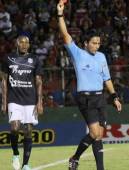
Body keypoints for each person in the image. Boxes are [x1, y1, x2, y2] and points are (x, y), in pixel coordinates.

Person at [57, 1, 122, 170]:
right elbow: (65, 35)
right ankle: (80, 159)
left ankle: (77, 158)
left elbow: (107, 79)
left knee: (99, 135)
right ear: (86, 43)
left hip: (100, 97)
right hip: (85, 99)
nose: (96, 45)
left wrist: (114, 96)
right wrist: (60, 14)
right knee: (94, 133)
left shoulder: (101, 57)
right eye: (93, 42)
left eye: (98, 43)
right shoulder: (77, 53)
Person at [1, 35, 43, 170]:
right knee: (14, 128)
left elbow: (39, 81)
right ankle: (15, 153)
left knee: (28, 131)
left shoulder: (35, 59)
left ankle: (25, 164)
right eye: (22, 42)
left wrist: (40, 102)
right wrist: (4, 102)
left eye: (27, 42)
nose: (25, 45)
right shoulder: (8, 58)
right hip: (14, 99)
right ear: (17, 44)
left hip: (30, 100)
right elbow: (3, 81)